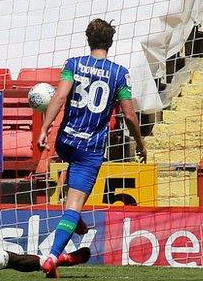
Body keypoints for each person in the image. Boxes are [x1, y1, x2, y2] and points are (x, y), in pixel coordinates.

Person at [36, 18, 147, 278]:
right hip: (90, 148)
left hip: (65, 142)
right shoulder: (119, 73)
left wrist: (45, 128)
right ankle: (53, 256)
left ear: (88, 40)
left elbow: (60, 96)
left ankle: (74, 221)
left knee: (72, 182)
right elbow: (130, 116)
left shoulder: (73, 65)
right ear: (110, 42)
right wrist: (140, 143)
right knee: (74, 204)